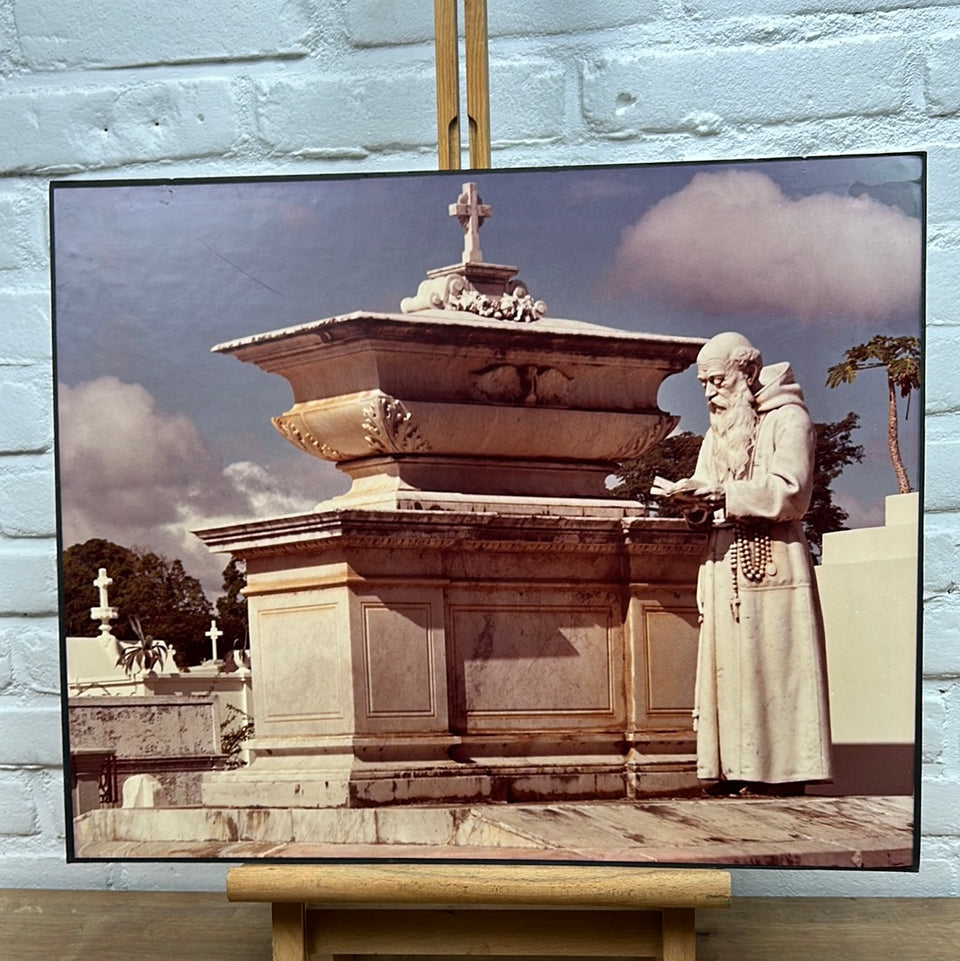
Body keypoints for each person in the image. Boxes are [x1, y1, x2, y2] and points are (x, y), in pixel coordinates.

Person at [654, 331, 832, 796]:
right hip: (722, 561)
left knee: (771, 668)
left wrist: (724, 494)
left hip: (773, 559)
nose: (710, 392)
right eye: (704, 384)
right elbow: (708, 489)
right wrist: (690, 502)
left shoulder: (789, 418)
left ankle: (778, 774)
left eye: (717, 380)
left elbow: (792, 491)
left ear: (747, 372)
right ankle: (732, 767)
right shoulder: (718, 432)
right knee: (728, 669)